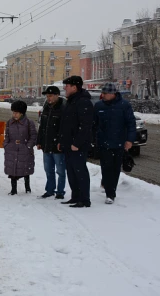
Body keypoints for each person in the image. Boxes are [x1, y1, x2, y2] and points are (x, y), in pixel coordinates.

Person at [93, 82, 136, 204]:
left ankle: (111, 193)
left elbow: (131, 124)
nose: (103, 95)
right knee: (106, 167)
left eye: (105, 93)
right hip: (103, 143)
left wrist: (129, 140)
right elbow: (93, 124)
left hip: (119, 143)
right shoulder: (98, 106)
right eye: (103, 93)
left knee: (115, 168)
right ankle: (108, 190)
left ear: (113, 94)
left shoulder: (124, 106)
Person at [58, 76, 94, 208]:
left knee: (80, 172)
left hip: (77, 146)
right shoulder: (71, 101)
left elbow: (86, 126)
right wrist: (62, 141)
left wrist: (77, 143)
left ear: (74, 87)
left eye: (66, 86)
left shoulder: (83, 102)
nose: (64, 88)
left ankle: (84, 199)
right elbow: (66, 124)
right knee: (71, 172)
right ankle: (75, 196)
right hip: (68, 144)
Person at [36, 86, 66, 199]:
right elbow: (42, 127)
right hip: (46, 145)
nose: (48, 98)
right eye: (47, 96)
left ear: (57, 95)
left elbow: (64, 129)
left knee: (60, 171)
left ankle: (60, 192)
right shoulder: (46, 108)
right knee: (48, 170)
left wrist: (61, 142)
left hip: (58, 146)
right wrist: (39, 141)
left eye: (50, 96)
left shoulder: (63, 108)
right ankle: (49, 190)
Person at [3, 100, 37, 195]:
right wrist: (6, 145)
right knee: (12, 170)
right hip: (12, 149)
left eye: (16, 113)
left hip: (24, 149)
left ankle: (27, 188)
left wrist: (28, 147)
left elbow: (33, 136)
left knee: (25, 169)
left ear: (22, 113)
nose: (14, 114)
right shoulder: (10, 122)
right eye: (13, 112)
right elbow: (7, 136)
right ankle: (13, 189)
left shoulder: (29, 123)